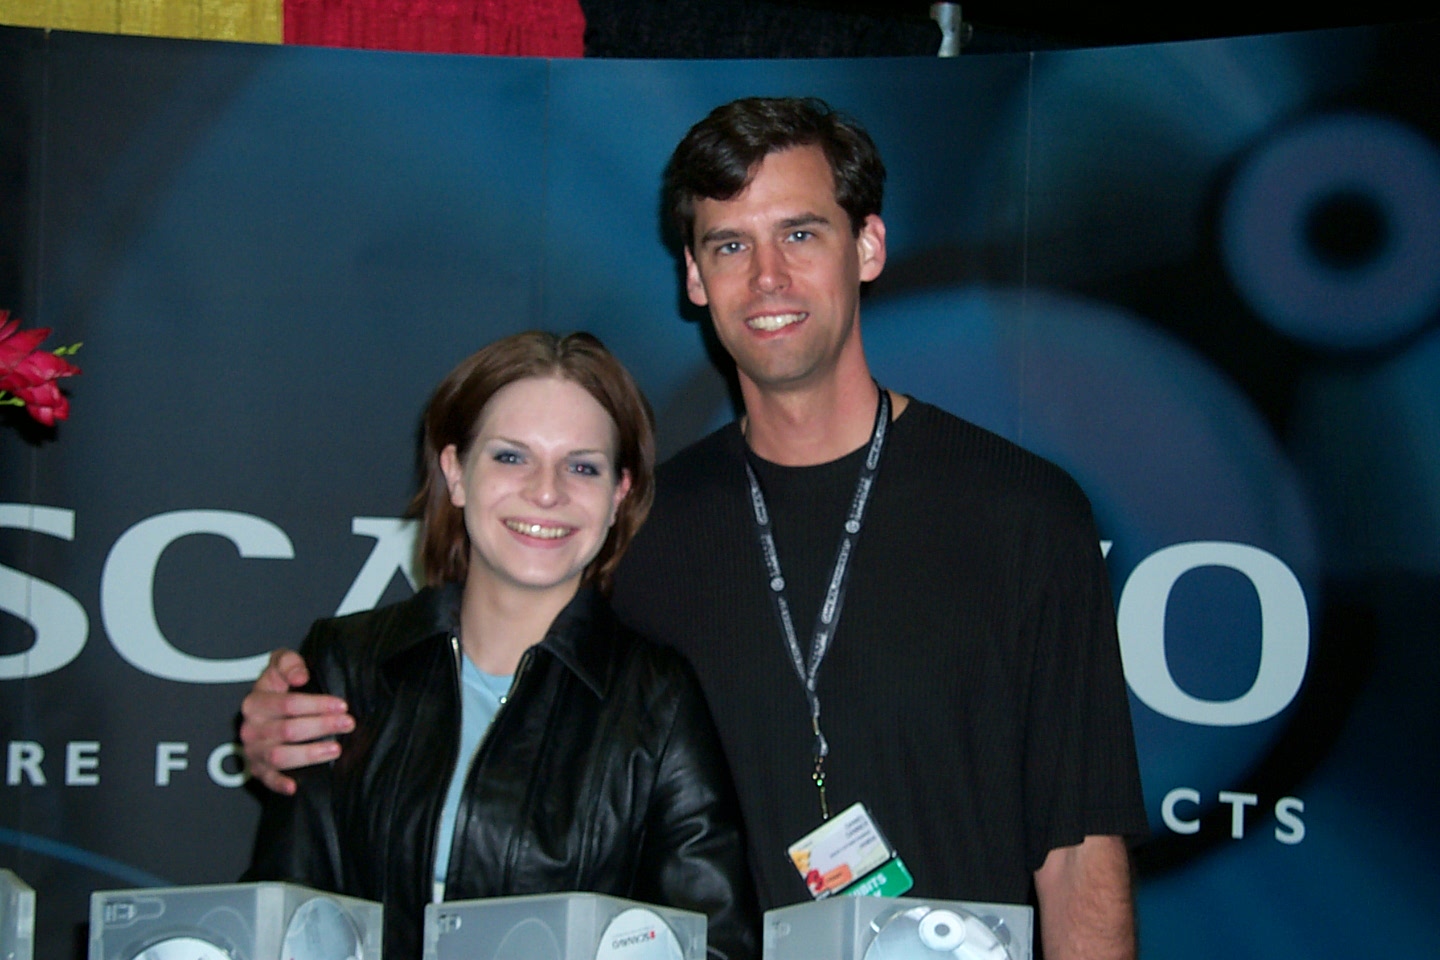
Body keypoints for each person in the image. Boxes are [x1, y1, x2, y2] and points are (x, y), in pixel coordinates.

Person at [241, 99, 1147, 959]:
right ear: (693, 276)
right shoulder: (636, 528)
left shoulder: (1022, 514)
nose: (767, 278)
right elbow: (481, 693)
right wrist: (297, 726)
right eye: (730, 245)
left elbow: (1079, 852)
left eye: (800, 234)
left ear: (867, 246)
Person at [243, 331, 757, 960]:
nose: (546, 491)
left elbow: (713, 946)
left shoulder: (658, 701)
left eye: (582, 466)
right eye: (512, 457)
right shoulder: (346, 666)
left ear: (619, 495)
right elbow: (288, 924)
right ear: (456, 472)